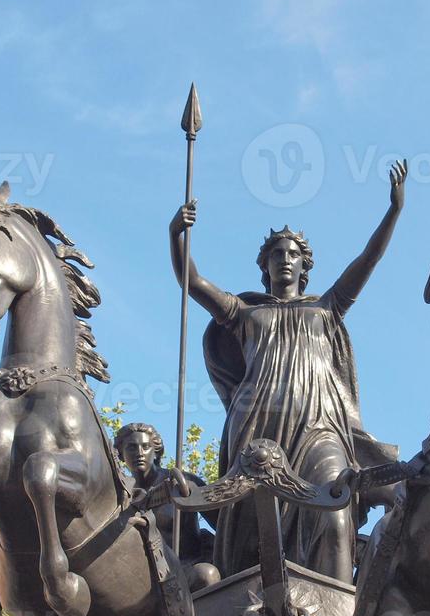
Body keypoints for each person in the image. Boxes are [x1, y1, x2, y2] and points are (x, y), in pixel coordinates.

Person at [168, 161, 407, 582]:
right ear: (265, 265)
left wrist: (393, 211)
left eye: (293, 253)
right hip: (256, 428)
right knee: (247, 537)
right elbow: (191, 280)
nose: (284, 259)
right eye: (276, 253)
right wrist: (176, 234)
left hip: (319, 427)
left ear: (304, 266)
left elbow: (368, 259)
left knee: (334, 511)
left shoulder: (326, 308)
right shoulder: (243, 312)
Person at [113, 422, 213, 566]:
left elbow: (222, 523)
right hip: (144, 575)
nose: (139, 453)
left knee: (207, 575)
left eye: (146, 447)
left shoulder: (183, 481)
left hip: (189, 566)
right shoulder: (121, 496)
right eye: (132, 447)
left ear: (156, 451)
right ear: (121, 454)